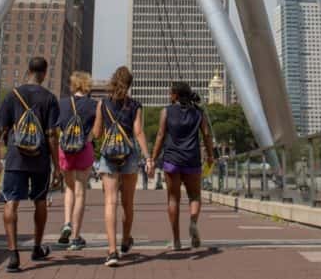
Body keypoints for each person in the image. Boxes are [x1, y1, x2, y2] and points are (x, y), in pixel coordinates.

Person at [0, 57, 61, 273]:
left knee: (11, 202)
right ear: (44, 73)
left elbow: (1, 129)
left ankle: (13, 254)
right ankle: (36, 247)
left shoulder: (12, 96)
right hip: (40, 159)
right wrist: (57, 166)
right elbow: (52, 135)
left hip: (16, 158)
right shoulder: (50, 98)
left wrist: (2, 154)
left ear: (28, 70)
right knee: (40, 201)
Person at [149, 82, 215, 250]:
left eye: (170, 93)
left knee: (173, 199)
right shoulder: (199, 113)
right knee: (194, 196)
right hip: (192, 159)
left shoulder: (166, 111)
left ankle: (177, 241)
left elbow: (160, 135)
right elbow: (207, 134)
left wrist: (152, 158)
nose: (169, 95)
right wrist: (210, 156)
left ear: (175, 95)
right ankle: (193, 222)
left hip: (172, 160)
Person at [98, 66, 150, 267]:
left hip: (108, 156)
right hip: (129, 155)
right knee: (128, 202)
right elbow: (138, 132)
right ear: (129, 85)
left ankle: (112, 251)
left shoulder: (103, 104)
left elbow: (96, 133)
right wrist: (148, 157)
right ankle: (126, 239)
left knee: (110, 202)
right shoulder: (135, 105)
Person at [56, 71, 102, 251]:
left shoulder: (62, 103)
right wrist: (88, 136)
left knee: (68, 188)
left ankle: (67, 222)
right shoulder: (94, 105)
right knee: (81, 191)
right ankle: (75, 237)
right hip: (84, 149)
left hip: (65, 149)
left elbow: (58, 126)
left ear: (73, 85)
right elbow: (97, 131)